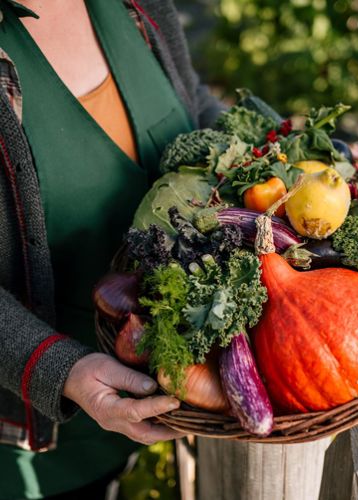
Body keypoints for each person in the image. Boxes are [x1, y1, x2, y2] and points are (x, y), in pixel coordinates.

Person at [0, 0, 225, 497]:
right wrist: (63, 369)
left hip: (141, 403)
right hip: (30, 446)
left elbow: (192, 105)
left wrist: (292, 149)